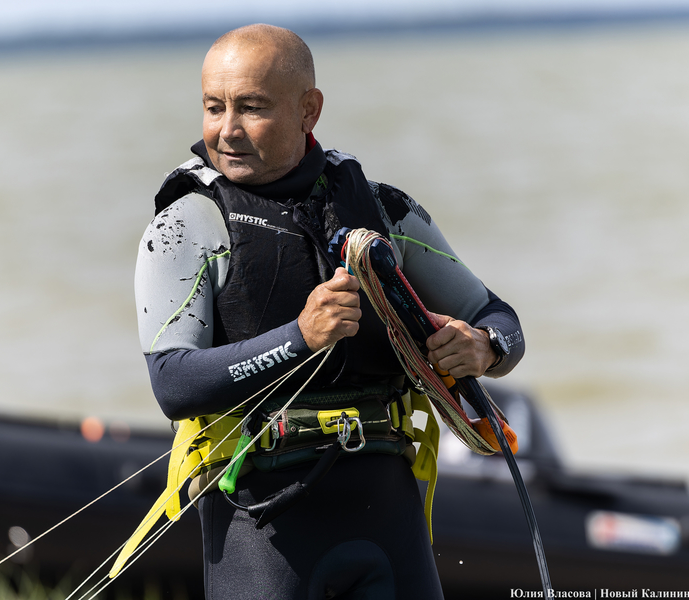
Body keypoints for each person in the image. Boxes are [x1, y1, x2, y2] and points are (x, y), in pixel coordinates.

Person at [133, 23, 525, 599]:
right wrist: (300, 337)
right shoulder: (184, 227)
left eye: (252, 107)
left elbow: (499, 318)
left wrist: (482, 347)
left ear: (309, 110)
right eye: (214, 107)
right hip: (261, 527)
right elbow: (173, 383)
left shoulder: (384, 211)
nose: (227, 129)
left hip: (387, 518)